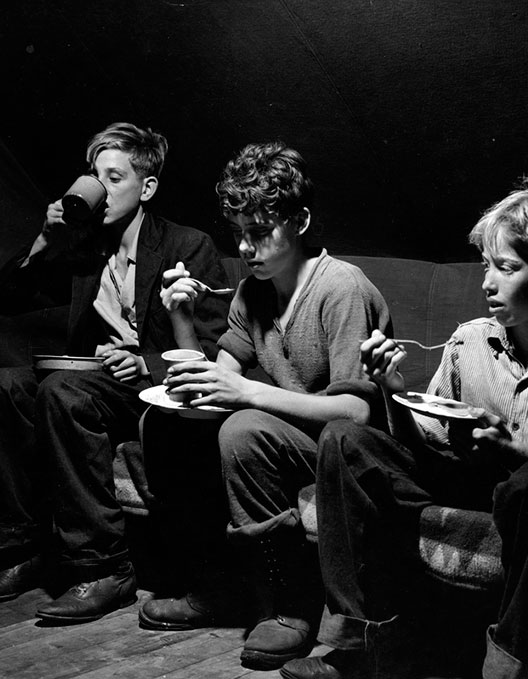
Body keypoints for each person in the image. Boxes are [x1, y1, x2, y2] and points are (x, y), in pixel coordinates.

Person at [281, 179, 528, 679]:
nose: (487, 284)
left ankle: (509, 667)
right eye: (486, 266)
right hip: (462, 479)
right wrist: (394, 392)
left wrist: (517, 450)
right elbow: (422, 443)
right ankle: (358, 647)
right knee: (345, 440)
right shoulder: (468, 341)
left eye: (507, 268)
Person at [137, 141, 393, 670]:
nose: (247, 249)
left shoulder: (340, 287)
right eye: (239, 235)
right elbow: (215, 380)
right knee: (168, 424)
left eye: (259, 233)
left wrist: (248, 393)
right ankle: (218, 586)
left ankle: (290, 605)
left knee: (244, 427)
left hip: (347, 452)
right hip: (289, 439)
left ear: (299, 221)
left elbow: (358, 413)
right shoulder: (253, 291)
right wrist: (182, 316)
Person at [0, 122, 230, 624]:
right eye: (93, 176)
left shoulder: (186, 244)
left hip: (157, 390)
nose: (98, 189)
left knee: (64, 391)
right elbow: (1, 301)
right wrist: (46, 239)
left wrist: (146, 362)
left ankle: (106, 568)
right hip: (95, 381)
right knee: (4, 385)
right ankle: (30, 549)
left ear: (146, 188)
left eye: (113, 178)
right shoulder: (83, 248)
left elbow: (219, 345)